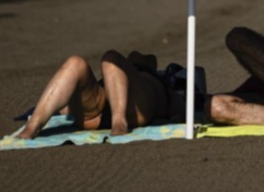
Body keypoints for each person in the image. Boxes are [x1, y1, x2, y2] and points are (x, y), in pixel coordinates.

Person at [18, 50, 182, 139]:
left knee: (98, 60)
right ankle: (119, 124)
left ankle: (32, 126)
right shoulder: (152, 82)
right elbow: (178, 109)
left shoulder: (151, 80)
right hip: (124, 111)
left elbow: (65, 109)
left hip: (100, 116)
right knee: (86, 62)